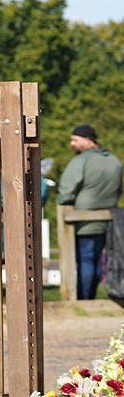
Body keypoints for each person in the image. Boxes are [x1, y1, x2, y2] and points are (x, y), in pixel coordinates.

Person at [57, 124, 123, 300]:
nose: (72, 144)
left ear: (87, 140)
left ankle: (84, 299)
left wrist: (64, 203)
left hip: (82, 222)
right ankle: (92, 297)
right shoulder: (114, 160)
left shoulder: (81, 161)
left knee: (85, 260)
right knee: (97, 260)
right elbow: (118, 190)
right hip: (108, 220)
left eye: (75, 139)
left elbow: (65, 191)